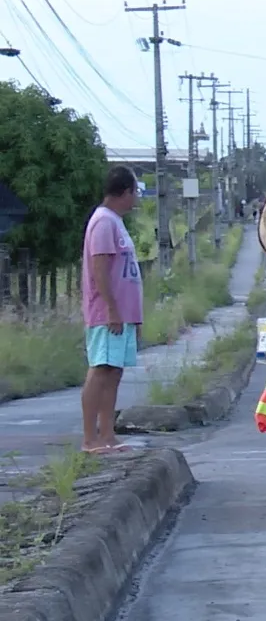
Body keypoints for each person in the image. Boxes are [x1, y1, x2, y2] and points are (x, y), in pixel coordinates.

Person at [80, 166, 144, 454]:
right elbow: (100, 269)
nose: (136, 198)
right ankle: (89, 438)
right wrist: (112, 310)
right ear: (125, 191)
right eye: (135, 192)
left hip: (123, 314)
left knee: (114, 372)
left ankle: (107, 434)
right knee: (101, 370)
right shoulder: (104, 222)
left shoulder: (115, 222)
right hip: (108, 314)